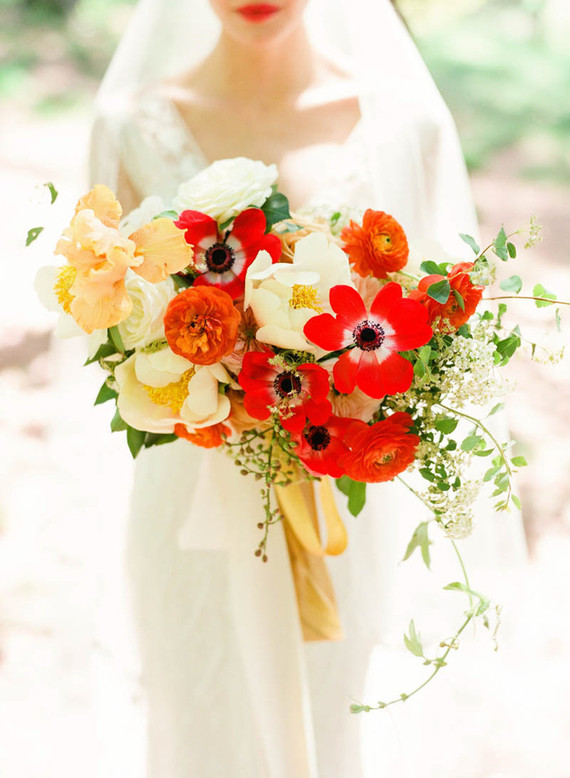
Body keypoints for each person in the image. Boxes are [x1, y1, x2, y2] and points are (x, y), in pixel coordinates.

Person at [89, 1, 526, 776]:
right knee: (199, 720)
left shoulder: (405, 126)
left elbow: (427, 327)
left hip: (343, 502)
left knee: (335, 725)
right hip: (185, 499)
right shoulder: (129, 123)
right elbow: (104, 322)